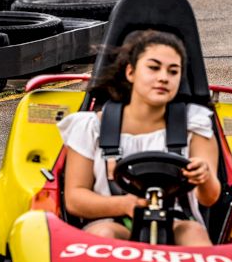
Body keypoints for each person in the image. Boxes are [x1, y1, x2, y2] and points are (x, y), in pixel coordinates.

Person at [58, 29, 221, 246]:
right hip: (110, 220)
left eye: (173, 72)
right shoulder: (91, 126)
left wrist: (205, 176)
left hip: (175, 222)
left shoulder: (195, 124)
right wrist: (125, 205)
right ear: (131, 72)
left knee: (193, 232)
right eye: (153, 68)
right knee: (104, 233)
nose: (164, 77)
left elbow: (209, 198)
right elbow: (75, 198)